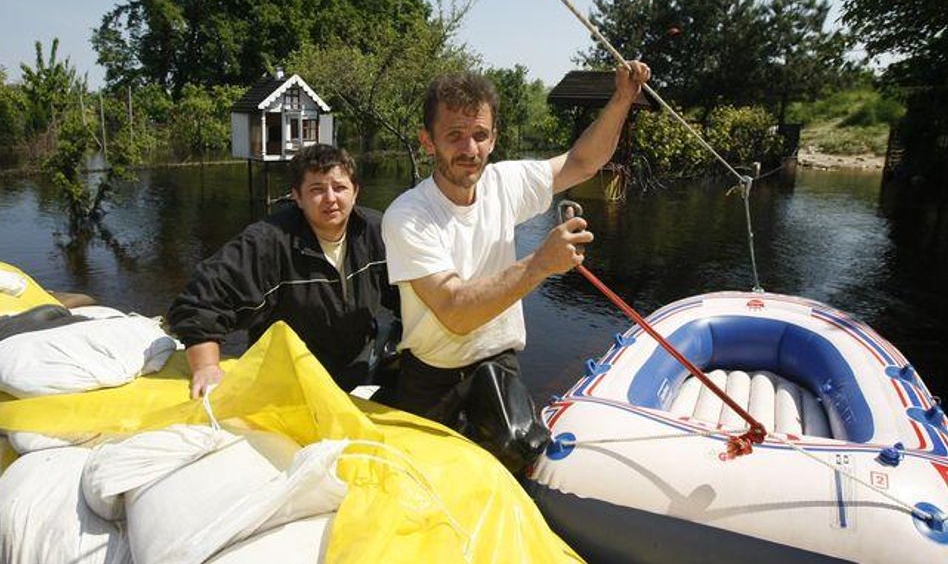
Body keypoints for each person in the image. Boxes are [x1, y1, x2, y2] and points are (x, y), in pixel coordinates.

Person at [381, 62, 651, 471]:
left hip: (496, 359)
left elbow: (582, 162)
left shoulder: (504, 183)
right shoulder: (408, 215)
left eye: (480, 135)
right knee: (421, 482)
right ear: (428, 141)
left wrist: (621, 100)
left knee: (518, 456)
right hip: (433, 372)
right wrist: (540, 264)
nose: (469, 149)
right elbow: (455, 312)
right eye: (454, 135)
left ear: (494, 139)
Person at [169, 143, 399, 399]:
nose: (331, 198)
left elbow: (410, 295)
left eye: (340, 187)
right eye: (317, 189)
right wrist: (207, 368)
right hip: (288, 378)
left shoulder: (379, 233)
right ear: (297, 197)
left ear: (355, 192)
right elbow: (198, 301)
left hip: (359, 367)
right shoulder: (266, 243)